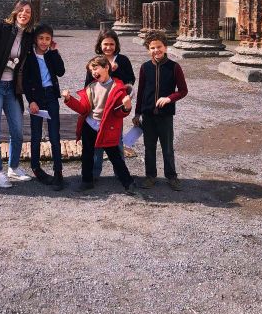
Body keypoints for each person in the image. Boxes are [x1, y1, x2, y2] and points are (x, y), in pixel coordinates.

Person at [62, 55, 138, 196]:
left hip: (107, 128)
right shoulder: (91, 87)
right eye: (91, 71)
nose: (93, 72)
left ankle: (128, 183)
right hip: (90, 126)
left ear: (106, 67)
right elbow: (83, 109)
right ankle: (87, 181)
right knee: (87, 155)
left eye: (96, 68)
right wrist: (69, 99)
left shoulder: (118, 88)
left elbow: (119, 114)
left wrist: (126, 108)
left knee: (115, 156)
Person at [0, 0, 35, 188]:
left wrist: (52, 47)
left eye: (28, 12)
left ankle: (13, 167)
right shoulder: (3, 29)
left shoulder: (29, 36)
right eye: (21, 10)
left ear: (31, 16)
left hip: (12, 89)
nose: (24, 14)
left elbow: (42, 42)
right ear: (15, 12)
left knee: (18, 131)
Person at [132, 30, 188, 191]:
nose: (156, 50)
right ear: (148, 49)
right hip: (148, 115)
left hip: (165, 115)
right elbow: (141, 91)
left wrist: (170, 98)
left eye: (159, 47)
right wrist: (137, 113)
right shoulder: (145, 67)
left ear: (165, 47)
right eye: (152, 48)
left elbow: (183, 90)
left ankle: (172, 177)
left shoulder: (174, 67)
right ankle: (150, 176)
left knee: (167, 148)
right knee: (149, 147)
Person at [84, 29, 136, 178]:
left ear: (116, 45)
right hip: (98, 106)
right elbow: (88, 84)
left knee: (117, 140)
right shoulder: (95, 62)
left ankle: (120, 173)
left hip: (115, 108)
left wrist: (117, 72)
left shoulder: (123, 60)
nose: (108, 47)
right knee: (97, 142)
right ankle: (95, 172)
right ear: (100, 45)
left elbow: (130, 80)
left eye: (111, 44)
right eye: (105, 44)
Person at [22, 23, 65, 191]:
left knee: (55, 135)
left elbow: (60, 71)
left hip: (51, 97)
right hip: (37, 99)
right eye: (41, 38)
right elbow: (25, 81)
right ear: (35, 39)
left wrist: (54, 52)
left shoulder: (51, 54)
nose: (44, 42)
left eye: (47, 39)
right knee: (36, 134)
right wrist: (31, 100)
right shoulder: (29, 56)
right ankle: (35, 167)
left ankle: (58, 172)